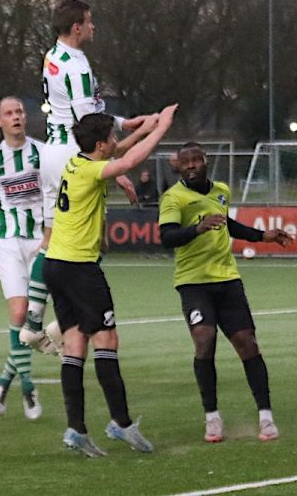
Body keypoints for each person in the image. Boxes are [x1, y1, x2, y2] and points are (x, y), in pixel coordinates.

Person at [45, 104, 176, 457]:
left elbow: (119, 153)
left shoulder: (77, 162)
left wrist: (144, 128)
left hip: (55, 264)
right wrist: (161, 128)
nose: (116, 140)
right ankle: (121, 422)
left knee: (74, 345)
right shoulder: (92, 170)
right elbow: (128, 160)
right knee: (107, 340)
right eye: (112, 136)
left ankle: (76, 429)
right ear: (101, 144)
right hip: (79, 268)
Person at [22, 0, 148, 352]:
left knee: (52, 240)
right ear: (77, 27)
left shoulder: (53, 55)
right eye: (90, 21)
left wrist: (124, 123)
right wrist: (111, 170)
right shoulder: (77, 66)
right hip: (73, 154)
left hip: (51, 151)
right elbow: (88, 123)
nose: (93, 27)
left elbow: (81, 110)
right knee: (91, 241)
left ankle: (33, 323)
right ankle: (66, 316)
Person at [159, 142, 292, 444]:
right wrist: (197, 228)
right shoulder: (173, 198)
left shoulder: (221, 190)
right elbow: (167, 237)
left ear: (205, 161)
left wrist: (262, 236)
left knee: (247, 343)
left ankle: (266, 416)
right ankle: (212, 418)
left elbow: (227, 224)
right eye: (185, 162)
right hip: (193, 282)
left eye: (195, 160)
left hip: (227, 279)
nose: (190, 166)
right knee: (204, 340)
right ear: (178, 166)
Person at [0, 97, 46, 420]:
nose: (16, 117)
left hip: (42, 242)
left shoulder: (43, 153)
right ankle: (28, 386)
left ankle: (3, 380)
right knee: (18, 312)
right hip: (8, 243)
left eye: (19, 112)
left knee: (33, 318)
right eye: (9, 113)